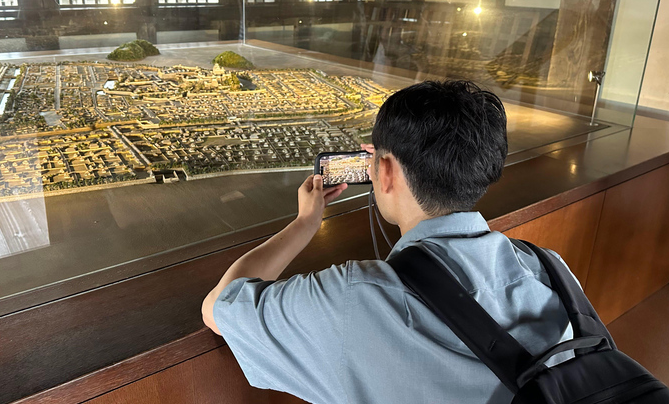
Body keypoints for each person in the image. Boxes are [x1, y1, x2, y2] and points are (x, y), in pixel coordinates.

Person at [201, 80, 574, 404]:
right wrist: (389, 162)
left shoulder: (354, 298)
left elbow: (219, 306)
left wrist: (305, 223)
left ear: (383, 171)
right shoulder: (550, 268)